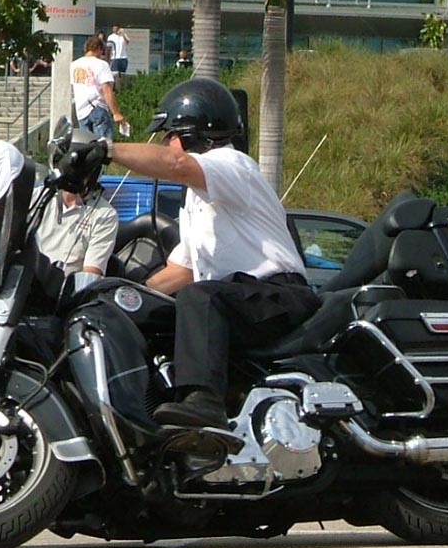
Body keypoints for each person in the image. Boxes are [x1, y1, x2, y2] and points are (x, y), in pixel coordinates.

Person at [98, 78, 319, 429]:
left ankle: (203, 403)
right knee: (167, 311)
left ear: (192, 134)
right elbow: (180, 271)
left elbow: (176, 163)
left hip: (278, 295)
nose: (165, 144)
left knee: (199, 298)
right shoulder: (199, 198)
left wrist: (105, 149)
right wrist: (120, 297)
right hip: (243, 302)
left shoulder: (231, 164)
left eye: (169, 135)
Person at [71, 37, 125, 140]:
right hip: (97, 107)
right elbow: (106, 90)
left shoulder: (74, 65)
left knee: (87, 145)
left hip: (81, 111)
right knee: (104, 145)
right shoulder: (101, 64)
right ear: (99, 49)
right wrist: (116, 113)